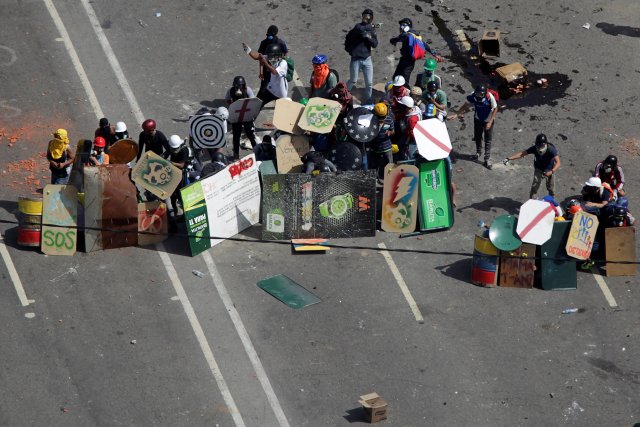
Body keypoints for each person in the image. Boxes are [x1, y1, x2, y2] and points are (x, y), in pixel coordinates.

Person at [452, 84, 497, 169]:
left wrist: (490, 122)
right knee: (477, 136)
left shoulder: (489, 97)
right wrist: (457, 114)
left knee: (488, 140)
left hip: (488, 120)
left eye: (480, 94)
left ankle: (487, 159)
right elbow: (466, 105)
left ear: (484, 93)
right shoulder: (473, 95)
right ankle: (478, 153)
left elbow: (495, 108)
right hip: (477, 119)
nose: (478, 96)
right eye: (477, 94)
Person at [503, 133, 561, 199]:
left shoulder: (551, 149)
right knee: (535, 187)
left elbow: (558, 162)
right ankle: (531, 202)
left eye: (540, 146)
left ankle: (552, 203)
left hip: (550, 169)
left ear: (545, 144)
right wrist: (509, 158)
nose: (539, 148)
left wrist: (551, 171)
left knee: (551, 188)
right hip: (539, 169)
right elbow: (522, 154)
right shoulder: (534, 148)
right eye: (538, 146)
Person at [389, 18, 442, 85]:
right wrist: (434, 54)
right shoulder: (416, 35)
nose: (401, 27)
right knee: (398, 77)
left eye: (402, 25)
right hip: (410, 61)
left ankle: (405, 93)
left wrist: (392, 40)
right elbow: (425, 45)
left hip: (407, 61)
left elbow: (398, 38)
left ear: (406, 26)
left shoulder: (407, 35)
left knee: (402, 79)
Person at [345, 8, 378, 104]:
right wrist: (350, 51)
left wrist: (368, 37)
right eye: (365, 15)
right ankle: (343, 94)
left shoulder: (371, 29)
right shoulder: (358, 27)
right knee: (353, 80)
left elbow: (375, 44)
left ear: (371, 18)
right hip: (356, 59)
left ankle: (369, 100)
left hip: (367, 59)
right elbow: (358, 30)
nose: (366, 18)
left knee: (369, 83)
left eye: (368, 16)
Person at [225, 75, 258, 159]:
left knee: (250, 134)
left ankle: (257, 152)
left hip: (246, 115)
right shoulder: (230, 91)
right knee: (236, 136)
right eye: (237, 86)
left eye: (240, 85)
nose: (239, 87)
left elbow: (252, 101)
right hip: (237, 116)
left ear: (243, 85)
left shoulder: (248, 90)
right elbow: (227, 99)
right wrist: (234, 106)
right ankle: (236, 154)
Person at [164, 135, 190, 220]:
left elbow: (182, 165)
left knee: (180, 194)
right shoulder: (170, 145)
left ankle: (185, 215)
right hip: (173, 172)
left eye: (176, 149)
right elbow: (166, 154)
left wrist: (170, 163)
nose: (175, 151)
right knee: (172, 194)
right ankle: (174, 211)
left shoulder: (184, 150)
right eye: (173, 149)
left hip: (181, 174)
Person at [368, 102, 395, 180]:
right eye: (379, 117)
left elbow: (393, 131)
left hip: (387, 147)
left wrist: (390, 132)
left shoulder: (389, 119)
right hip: (374, 147)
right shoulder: (370, 120)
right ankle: (374, 179)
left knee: (389, 164)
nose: (381, 119)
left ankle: (389, 179)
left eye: (383, 117)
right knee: (374, 165)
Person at [395, 96, 421, 160]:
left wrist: (408, 142)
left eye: (402, 106)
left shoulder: (412, 119)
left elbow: (413, 134)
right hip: (408, 134)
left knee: (410, 154)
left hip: (412, 139)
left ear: (406, 107)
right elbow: (403, 115)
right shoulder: (414, 110)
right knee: (399, 145)